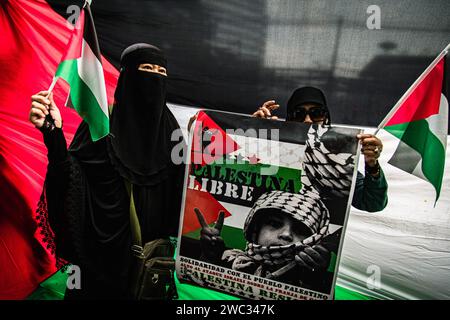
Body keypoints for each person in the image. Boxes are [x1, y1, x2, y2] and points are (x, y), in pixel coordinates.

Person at [29, 43, 185, 299]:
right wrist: (53, 133)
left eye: (161, 72)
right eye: (146, 68)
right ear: (127, 75)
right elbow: (71, 177)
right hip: (102, 261)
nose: (154, 78)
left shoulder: (170, 130)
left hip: (152, 266)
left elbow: (191, 185)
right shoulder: (103, 123)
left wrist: (249, 131)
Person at [252, 86, 388, 212]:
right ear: (289, 119)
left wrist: (372, 166)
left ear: (326, 118)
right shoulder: (270, 147)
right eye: (298, 113)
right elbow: (239, 181)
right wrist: (251, 137)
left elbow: (373, 204)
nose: (308, 120)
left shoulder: (335, 161)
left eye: (316, 113)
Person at [195, 188, 339, 293]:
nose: (286, 235)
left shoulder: (311, 278)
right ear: (255, 229)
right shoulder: (230, 260)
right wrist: (209, 258)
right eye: (275, 224)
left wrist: (315, 280)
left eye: (300, 230)